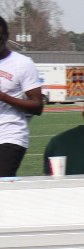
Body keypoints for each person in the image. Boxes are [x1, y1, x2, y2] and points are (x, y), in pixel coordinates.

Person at [0, 16, 45, 177]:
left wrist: (3, 97)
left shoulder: (22, 63)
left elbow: (37, 106)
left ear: (6, 36)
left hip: (10, 135)